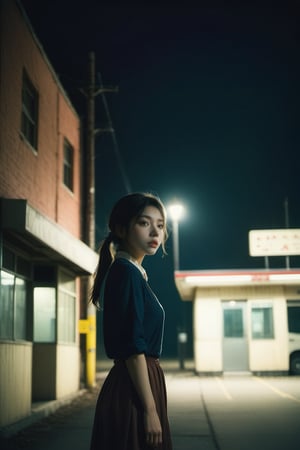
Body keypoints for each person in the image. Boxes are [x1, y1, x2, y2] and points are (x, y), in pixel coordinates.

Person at [90, 192, 173, 450]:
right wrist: (150, 410)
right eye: (144, 223)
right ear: (120, 228)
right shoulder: (125, 273)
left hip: (140, 383)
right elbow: (133, 346)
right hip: (133, 389)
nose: (155, 232)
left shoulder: (133, 274)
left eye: (160, 225)